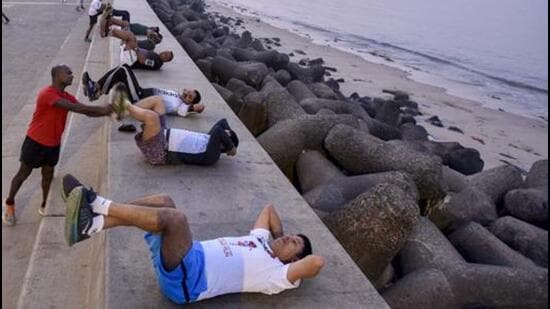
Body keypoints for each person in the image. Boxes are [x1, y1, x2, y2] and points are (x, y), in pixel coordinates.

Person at [60, 173, 325, 304]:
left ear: (294, 259)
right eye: (291, 236)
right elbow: (268, 209)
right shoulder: (260, 241)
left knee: (177, 219)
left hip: (188, 281)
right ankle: (94, 222)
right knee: (164, 202)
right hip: (183, 257)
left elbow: (317, 263)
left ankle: (95, 203)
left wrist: (291, 263)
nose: (289, 238)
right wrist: (279, 238)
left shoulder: (276, 276)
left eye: (294, 243)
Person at [2, 65, 113, 226]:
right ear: (56, 76)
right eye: (67, 72)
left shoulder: (66, 96)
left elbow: (86, 111)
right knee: (23, 174)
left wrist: (106, 112)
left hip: (53, 144)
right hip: (35, 142)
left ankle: (44, 203)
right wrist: (104, 109)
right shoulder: (47, 94)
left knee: (47, 175)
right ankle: (10, 202)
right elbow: (78, 108)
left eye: (71, 72)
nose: (72, 75)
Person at [111, 84, 236, 166]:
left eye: (226, 135)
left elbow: (219, 130)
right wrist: (229, 136)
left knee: (152, 117)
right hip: (162, 135)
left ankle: (125, 105)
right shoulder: (208, 139)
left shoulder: (211, 156)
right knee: (158, 101)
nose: (224, 132)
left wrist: (232, 147)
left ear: (224, 144)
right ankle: (124, 111)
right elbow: (222, 122)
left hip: (159, 151)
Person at [81, 64, 203, 115]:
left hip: (138, 99)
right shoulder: (177, 95)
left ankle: (95, 89)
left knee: (123, 70)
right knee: (123, 70)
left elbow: (189, 110)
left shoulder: (181, 107)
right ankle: (95, 90)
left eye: (189, 97)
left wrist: (195, 108)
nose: (186, 94)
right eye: (188, 92)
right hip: (140, 93)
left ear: (189, 103)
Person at [107, 27, 173, 70]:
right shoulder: (156, 56)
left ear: (166, 60)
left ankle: (110, 29)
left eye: (166, 55)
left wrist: (135, 48)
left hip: (130, 60)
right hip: (132, 54)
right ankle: (108, 32)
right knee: (130, 36)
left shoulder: (157, 63)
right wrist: (135, 45)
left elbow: (142, 61)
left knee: (130, 36)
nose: (164, 53)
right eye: (165, 52)